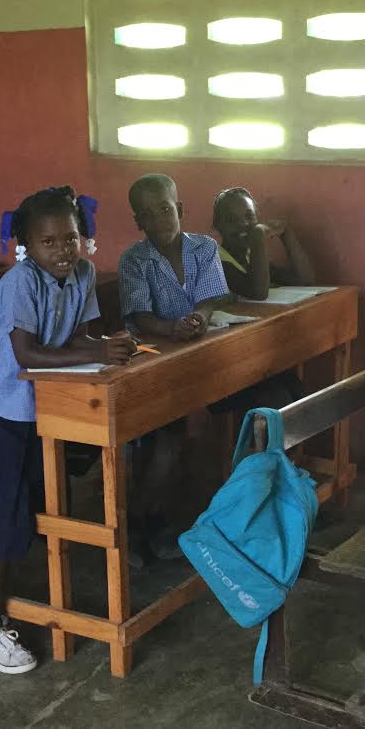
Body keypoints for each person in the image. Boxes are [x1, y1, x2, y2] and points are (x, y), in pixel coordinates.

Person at [0, 186, 135, 674]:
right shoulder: (19, 283)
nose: (62, 250)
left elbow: (81, 335)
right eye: (49, 242)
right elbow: (28, 355)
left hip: (45, 409)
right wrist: (99, 354)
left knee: (28, 508)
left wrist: (111, 343)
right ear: (27, 246)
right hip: (4, 412)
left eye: (70, 239)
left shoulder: (82, 274)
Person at [118, 174, 230, 560]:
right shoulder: (134, 260)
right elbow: (141, 316)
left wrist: (197, 319)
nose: (159, 219)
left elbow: (208, 301)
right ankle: (141, 520)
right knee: (164, 436)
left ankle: (181, 512)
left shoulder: (204, 249)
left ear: (179, 209)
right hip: (151, 359)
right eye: (147, 214)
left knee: (196, 424)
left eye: (165, 209)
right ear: (138, 222)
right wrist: (172, 328)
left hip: (192, 352)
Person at [211, 186, 314, 300]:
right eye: (231, 219)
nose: (243, 224)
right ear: (217, 225)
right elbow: (258, 293)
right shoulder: (215, 263)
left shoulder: (250, 257)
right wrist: (258, 234)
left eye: (249, 216)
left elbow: (305, 280)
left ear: (257, 218)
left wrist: (286, 233)